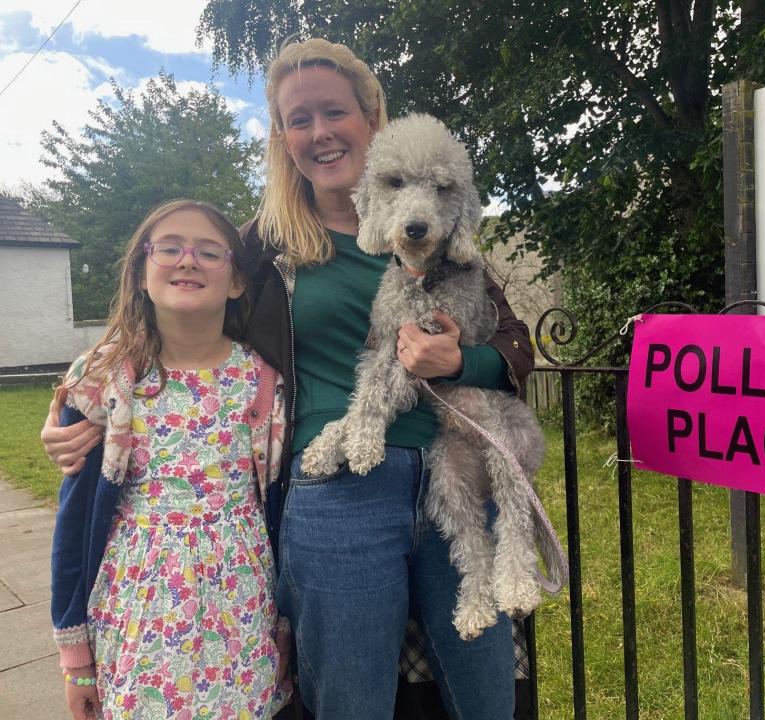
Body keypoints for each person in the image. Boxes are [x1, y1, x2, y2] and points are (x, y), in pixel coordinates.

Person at [43, 38, 536, 720]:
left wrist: (461, 362)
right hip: (341, 496)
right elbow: (167, 306)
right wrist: (78, 405)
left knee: (487, 696)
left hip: (460, 474)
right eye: (298, 119)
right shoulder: (265, 244)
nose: (319, 132)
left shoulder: (436, 225)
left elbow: (513, 344)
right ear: (282, 137)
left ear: (370, 118)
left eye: (333, 112)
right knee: (351, 703)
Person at [49, 200, 291, 720]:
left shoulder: (263, 382)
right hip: (138, 618)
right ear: (140, 271)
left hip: (242, 613)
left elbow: (279, 513)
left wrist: (285, 623)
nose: (188, 261)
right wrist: (76, 661)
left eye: (209, 252)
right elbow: (73, 525)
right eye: (170, 248)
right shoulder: (103, 381)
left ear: (236, 282)